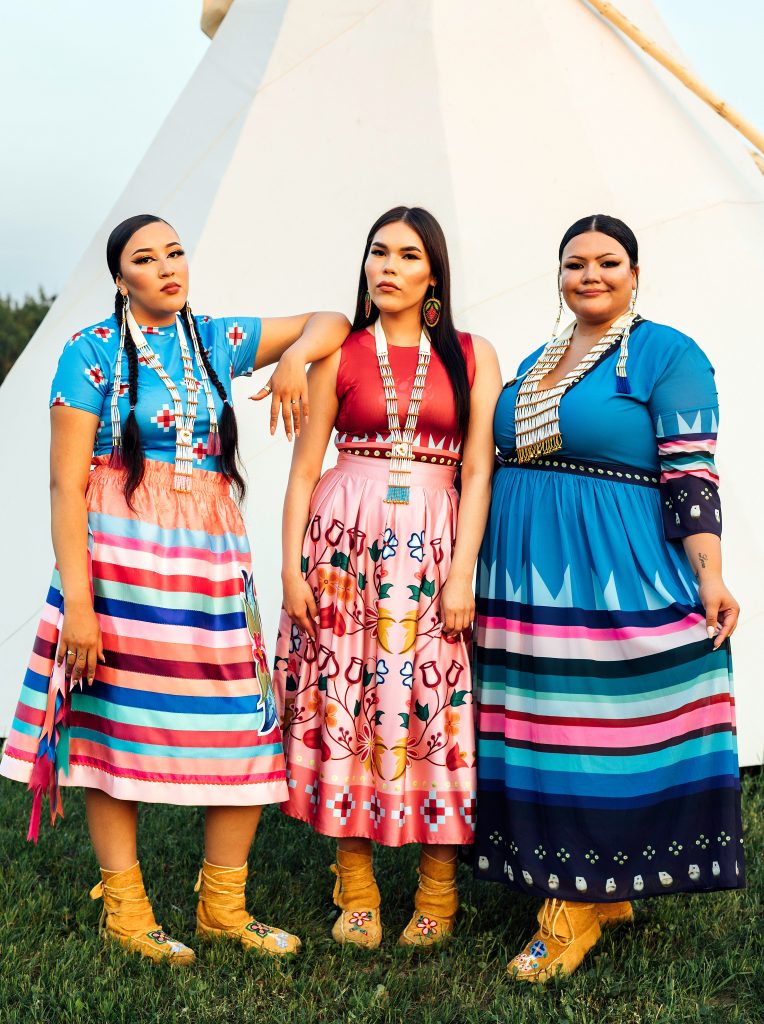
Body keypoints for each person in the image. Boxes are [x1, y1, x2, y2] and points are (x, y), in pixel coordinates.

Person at [0, 214, 349, 964]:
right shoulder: (88, 353)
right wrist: (81, 609)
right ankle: (125, 909)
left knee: (246, 725)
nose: (167, 267)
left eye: (175, 252)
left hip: (211, 566)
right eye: (145, 258)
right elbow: (65, 488)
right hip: (118, 564)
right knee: (113, 724)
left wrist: (291, 362)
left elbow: (334, 319)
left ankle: (224, 904)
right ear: (120, 277)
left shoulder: (216, 341)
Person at [472, 214, 743, 981]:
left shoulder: (669, 353)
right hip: (523, 571)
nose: (590, 275)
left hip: (606, 568)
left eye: (607, 262)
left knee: (594, 731)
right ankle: (602, 884)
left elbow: (692, 473)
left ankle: (572, 910)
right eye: (574, 264)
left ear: (635, 271)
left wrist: (710, 573)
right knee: (539, 726)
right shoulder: (538, 358)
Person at [272, 207, 501, 948]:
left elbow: (477, 467)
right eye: (378, 252)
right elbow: (306, 468)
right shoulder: (337, 355)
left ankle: (438, 889)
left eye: (407, 255)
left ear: (433, 271)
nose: (389, 266)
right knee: (350, 698)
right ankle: (359, 889)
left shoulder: (472, 354)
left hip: (436, 548)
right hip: (344, 546)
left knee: (437, 704)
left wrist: (462, 570)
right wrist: (290, 566)